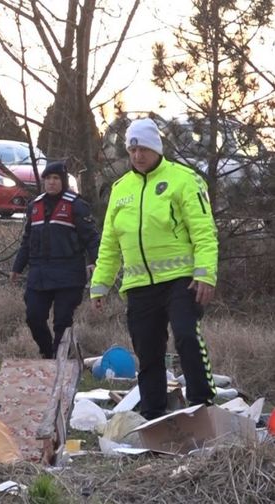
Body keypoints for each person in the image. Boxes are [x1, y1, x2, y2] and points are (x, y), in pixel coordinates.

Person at [90, 117, 218, 420]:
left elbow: (203, 231)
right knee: (147, 352)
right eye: (132, 150)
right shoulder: (120, 189)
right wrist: (100, 284)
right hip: (138, 285)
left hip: (181, 280)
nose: (138, 155)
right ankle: (153, 415)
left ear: (156, 148)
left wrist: (205, 273)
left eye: (144, 148)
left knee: (186, 337)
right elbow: (110, 243)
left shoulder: (184, 179)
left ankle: (203, 406)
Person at [11, 161, 100, 358]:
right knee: (34, 317)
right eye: (48, 179)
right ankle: (47, 353)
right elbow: (27, 240)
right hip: (39, 273)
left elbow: (91, 238)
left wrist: (96, 262)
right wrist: (17, 266)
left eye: (56, 179)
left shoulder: (76, 205)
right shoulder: (35, 206)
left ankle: (59, 359)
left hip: (68, 273)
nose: (51, 183)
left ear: (63, 181)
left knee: (62, 321)